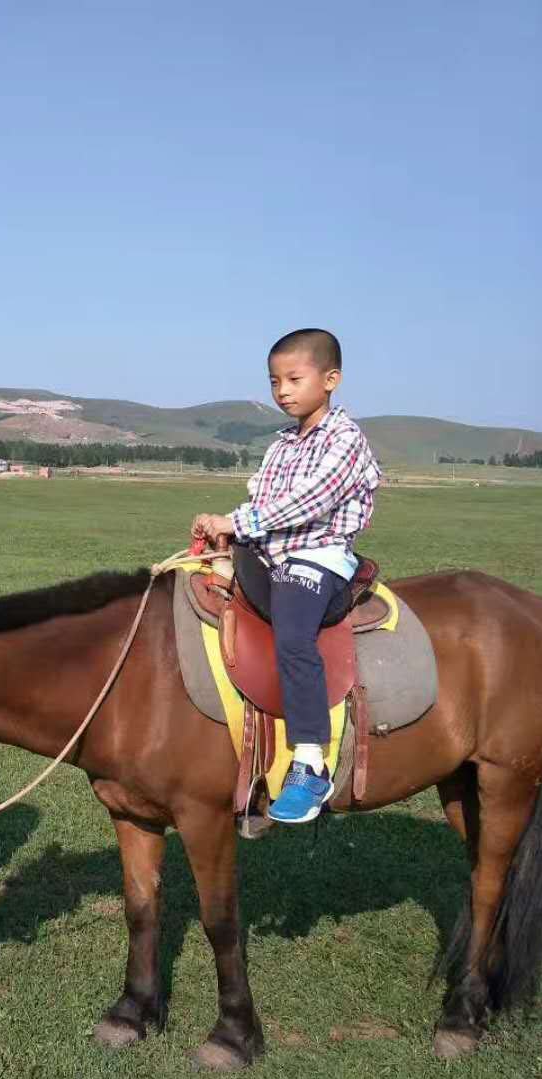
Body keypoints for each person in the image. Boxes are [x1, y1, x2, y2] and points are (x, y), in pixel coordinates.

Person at [192, 328, 382, 824]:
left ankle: (310, 761)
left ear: (331, 379)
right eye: (275, 381)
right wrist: (227, 531)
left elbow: (308, 502)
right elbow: (262, 504)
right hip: (270, 552)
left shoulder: (345, 440)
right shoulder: (281, 443)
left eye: (294, 379)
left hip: (318, 556)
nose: (282, 391)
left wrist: (238, 523)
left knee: (294, 634)